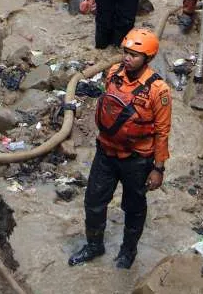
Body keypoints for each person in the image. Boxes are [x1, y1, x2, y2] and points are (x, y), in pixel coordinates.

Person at [69, 28, 171, 270]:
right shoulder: (113, 74)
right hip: (106, 152)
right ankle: (94, 245)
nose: (128, 58)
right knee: (93, 201)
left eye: (135, 55)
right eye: (126, 52)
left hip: (137, 160)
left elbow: (162, 132)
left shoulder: (159, 91)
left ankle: (128, 251)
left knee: (134, 208)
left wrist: (158, 168)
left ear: (148, 58)